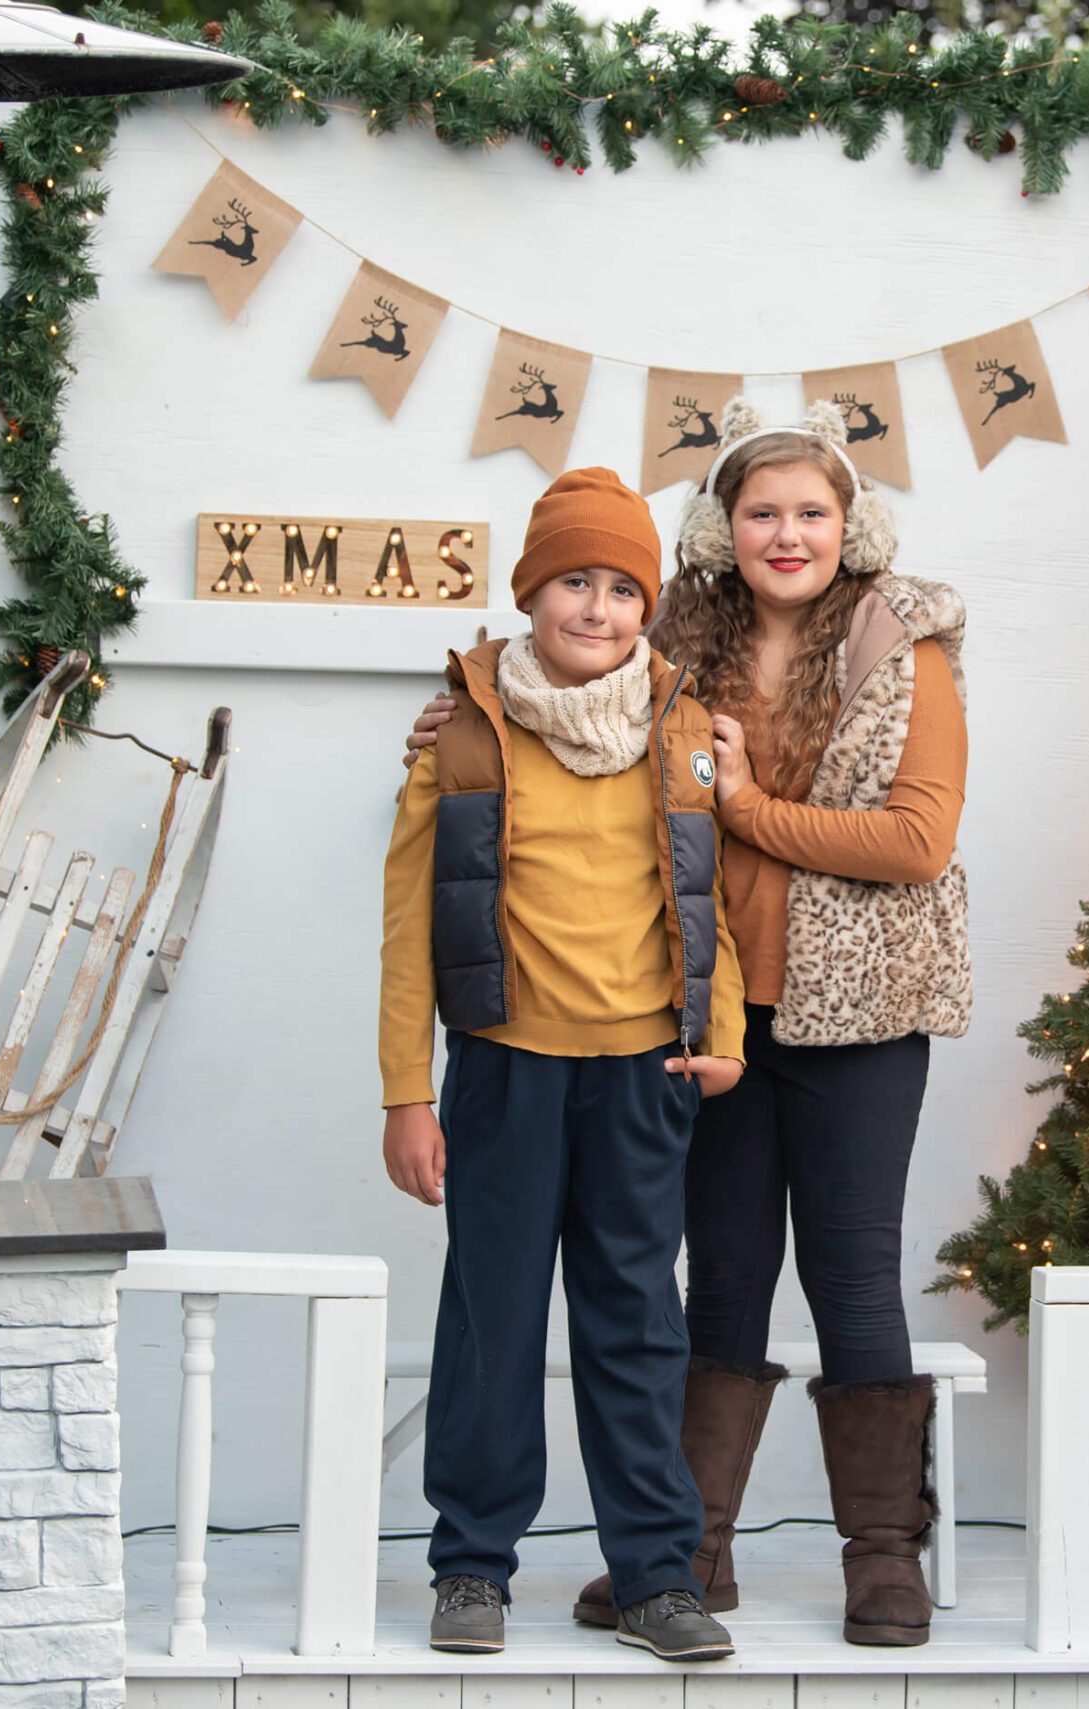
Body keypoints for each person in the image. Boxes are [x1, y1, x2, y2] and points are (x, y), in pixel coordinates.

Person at [406, 399, 970, 1646]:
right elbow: (562, 691)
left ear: (848, 524)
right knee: (707, 1283)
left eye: (811, 512)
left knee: (852, 1276)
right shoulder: (678, 647)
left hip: (851, 1012)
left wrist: (753, 803)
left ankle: (883, 1557)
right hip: (703, 1021)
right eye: (760, 510)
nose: (786, 533)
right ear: (723, 528)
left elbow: (915, 841)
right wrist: (455, 718)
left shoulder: (903, 650)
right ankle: (685, 1553)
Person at [378, 466, 748, 1662]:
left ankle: (653, 1571)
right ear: (531, 593)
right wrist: (405, 1092)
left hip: (643, 1073)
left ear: (647, 605)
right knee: (493, 1316)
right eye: (572, 583)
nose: (596, 608)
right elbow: (405, 919)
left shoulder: (680, 726)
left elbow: (706, 899)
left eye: (619, 587)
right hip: (504, 1069)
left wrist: (723, 1032)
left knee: (636, 1320)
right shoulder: (469, 729)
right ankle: (472, 1564)